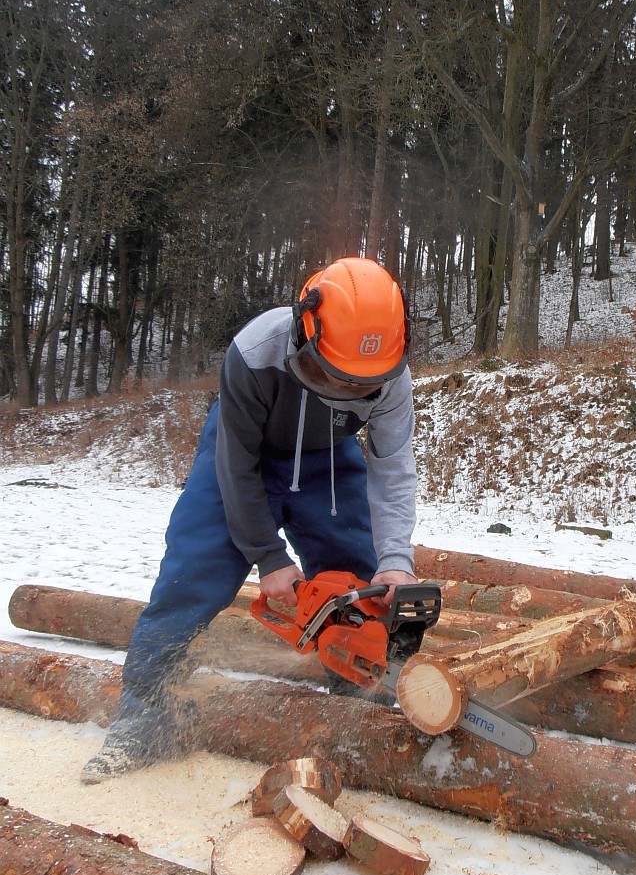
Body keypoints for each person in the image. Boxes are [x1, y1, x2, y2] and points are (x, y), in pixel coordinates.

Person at [82, 257, 419, 782]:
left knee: (356, 574)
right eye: (336, 377)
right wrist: (268, 555)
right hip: (244, 453)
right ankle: (143, 716)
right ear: (305, 332)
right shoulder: (255, 351)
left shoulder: (391, 375)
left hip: (328, 459)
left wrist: (395, 560)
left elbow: (393, 468)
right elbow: (236, 465)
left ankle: (359, 708)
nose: (349, 392)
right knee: (193, 573)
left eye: (362, 385)